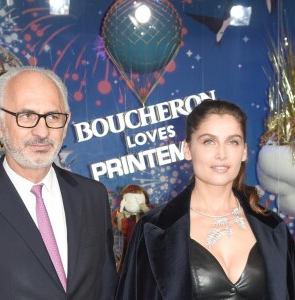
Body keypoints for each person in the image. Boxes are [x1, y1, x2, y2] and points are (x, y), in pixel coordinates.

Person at [115, 99, 295, 300]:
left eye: (232, 142)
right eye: (209, 141)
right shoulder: (153, 229)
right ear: (187, 149)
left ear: (244, 151)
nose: (221, 154)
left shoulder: (273, 227)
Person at [0, 66, 118, 299]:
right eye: (27, 116)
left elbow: (106, 286)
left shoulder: (92, 195)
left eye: (53, 116)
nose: (42, 131)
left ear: (66, 122)